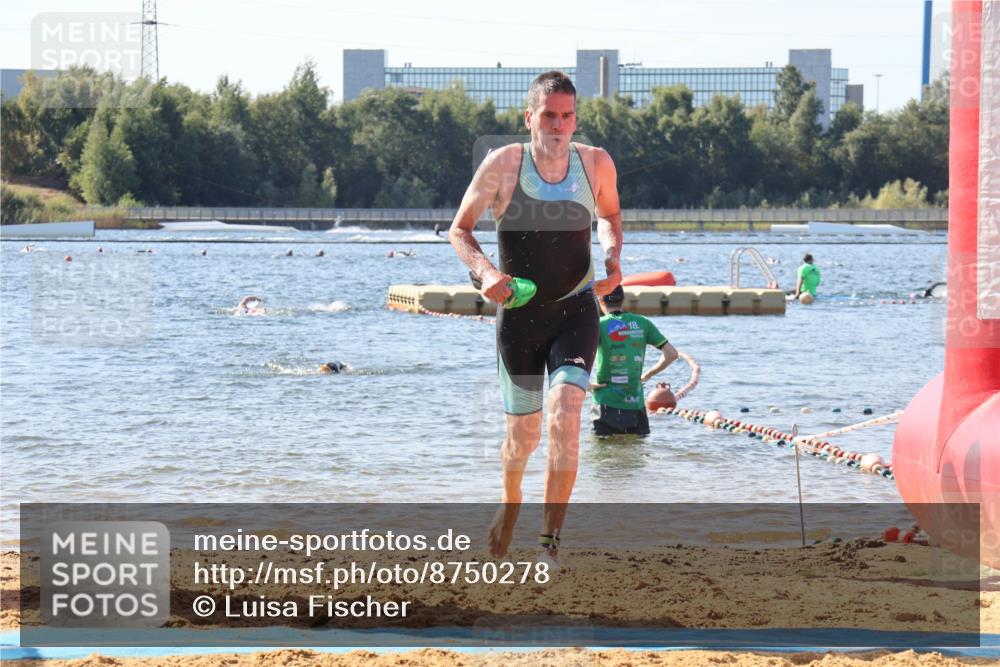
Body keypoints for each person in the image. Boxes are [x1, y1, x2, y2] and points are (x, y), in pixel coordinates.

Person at [449, 70, 623, 559]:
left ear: (575, 121)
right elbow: (459, 230)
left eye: (567, 116)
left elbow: (609, 216)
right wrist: (484, 273)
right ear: (530, 118)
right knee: (521, 441)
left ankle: (550, 542)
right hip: (520, 322)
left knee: (566, 416)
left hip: (575, 312)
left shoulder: (596, 165)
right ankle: (510, 500)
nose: (558, 125)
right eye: (549, 115)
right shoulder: (502, 165)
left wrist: (612, 258)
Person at [589, 286, 678, 436]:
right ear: (623, 300)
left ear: (600, 301)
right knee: (636, 453)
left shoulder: (598, 325)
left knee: (603, 456)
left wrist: (585, 383)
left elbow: (576, 357)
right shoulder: (642, 322)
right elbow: (672, 354)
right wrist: (648, 375)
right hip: (635, 405)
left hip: (605, 404)